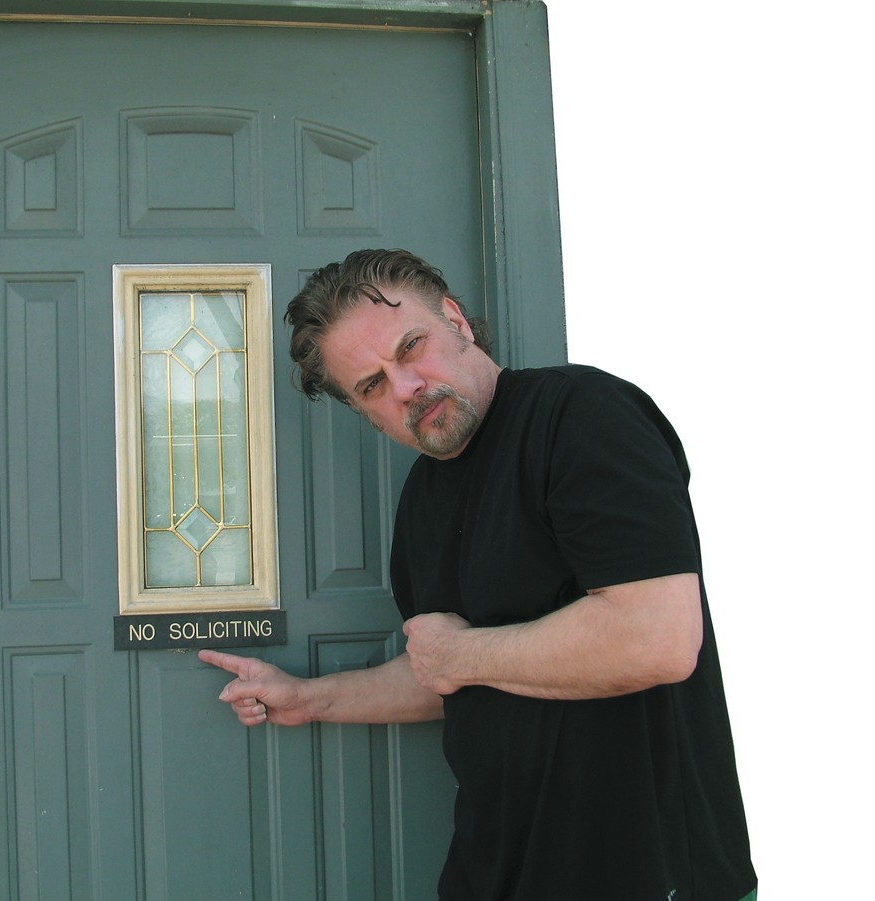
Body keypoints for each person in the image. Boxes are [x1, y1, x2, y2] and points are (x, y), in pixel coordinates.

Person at [199, 249, 756, 901]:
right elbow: (445, 675)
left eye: (411, 347)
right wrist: (308, 698)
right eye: (372, 386)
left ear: (456, 321)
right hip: (494, 874)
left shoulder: (581, 415)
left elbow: (657, 638)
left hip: (646, 873)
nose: (405, 386)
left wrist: (460, 653)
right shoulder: (421, 503)